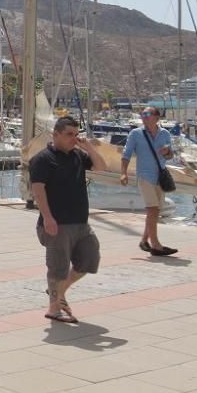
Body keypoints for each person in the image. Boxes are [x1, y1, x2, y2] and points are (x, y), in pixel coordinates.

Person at [29, 115, 107, 323]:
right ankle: (54, 308)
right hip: (57, 223)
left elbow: (101, 167)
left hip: (80, 222)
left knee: (90, 260)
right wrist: (47, 218)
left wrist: (89, 147)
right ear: (55, 135)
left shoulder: (78, 156)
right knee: (58, 267)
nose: (74, 138)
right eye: (68, 135)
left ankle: (58, 291)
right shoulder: (43, 159)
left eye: (76, 134)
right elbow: (38, 190)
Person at [121, 106, 178, 256]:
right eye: (142, 114)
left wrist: (167, 152)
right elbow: (126, 154)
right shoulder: (136, 133)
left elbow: (170, 155)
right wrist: (123, 173)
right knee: (152, 210)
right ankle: (156, 246)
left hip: (160, 177)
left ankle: (144, 241)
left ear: (157, 118)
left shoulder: (165, 133)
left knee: (155, 211)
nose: (144, 116)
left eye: (147, 114)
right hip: (144, 176)